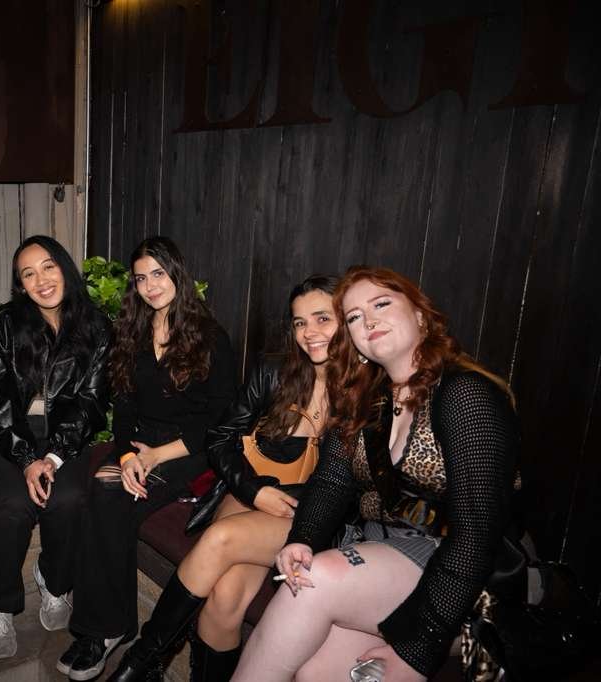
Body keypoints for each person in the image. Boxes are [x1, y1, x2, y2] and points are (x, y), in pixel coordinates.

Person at [232, 266, 521, 682]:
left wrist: (418, 647)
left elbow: (478, 534)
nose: (367, 320)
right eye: (352, 316)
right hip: (384, 549)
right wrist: (301, 539)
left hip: (464, 571)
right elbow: (331, 481)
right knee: (314, 673)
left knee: (319, 577)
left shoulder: (466, 393)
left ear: (421, 315)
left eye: (381, 304)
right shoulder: (365, 398)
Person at [108, 275, 339, 682]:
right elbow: (221, 437)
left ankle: (141, 662)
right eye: (300, 322)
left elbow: (353, 486)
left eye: (323, 318)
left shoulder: (369, 390)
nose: (310, 332)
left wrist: (275, 495)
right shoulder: (276, 372)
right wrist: (254, 489)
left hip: (319, 512)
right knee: (224, 600)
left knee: (219, 539)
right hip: (257, 489)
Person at [58, 236, 237, 681]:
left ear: (177, 273)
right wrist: (126, 455)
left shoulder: (211, 337)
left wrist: (157, 455)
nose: (151, 285)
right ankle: (108, 626)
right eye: (141, 278)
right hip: (142, 444)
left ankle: (102, 631)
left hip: (192, 450)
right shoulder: (133, 334)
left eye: (158, 274)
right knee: (103, 486)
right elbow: (124, 409)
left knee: (108, 496)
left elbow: (219, 419)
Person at [0, 235, 111, 658]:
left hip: (63, 438)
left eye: (48, 266)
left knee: (69, 497)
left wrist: (53, 455)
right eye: (28, 273)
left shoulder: (96, 326)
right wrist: (28, 458)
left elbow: (92, 401)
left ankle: (54, 580)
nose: (41, 279)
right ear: (20, 285)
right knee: (11, 503)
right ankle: (1, 602)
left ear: (64, 267)